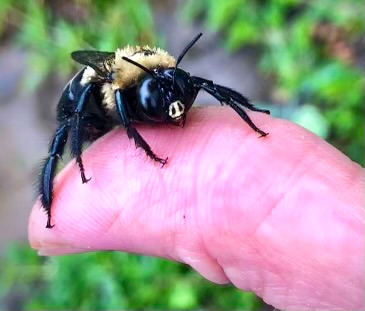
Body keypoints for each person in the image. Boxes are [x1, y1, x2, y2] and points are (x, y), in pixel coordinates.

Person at [29, 107, 364, 310]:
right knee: (70, 126)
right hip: (88, 110)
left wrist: (248, 114)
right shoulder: (117, 93)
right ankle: (49, 204)